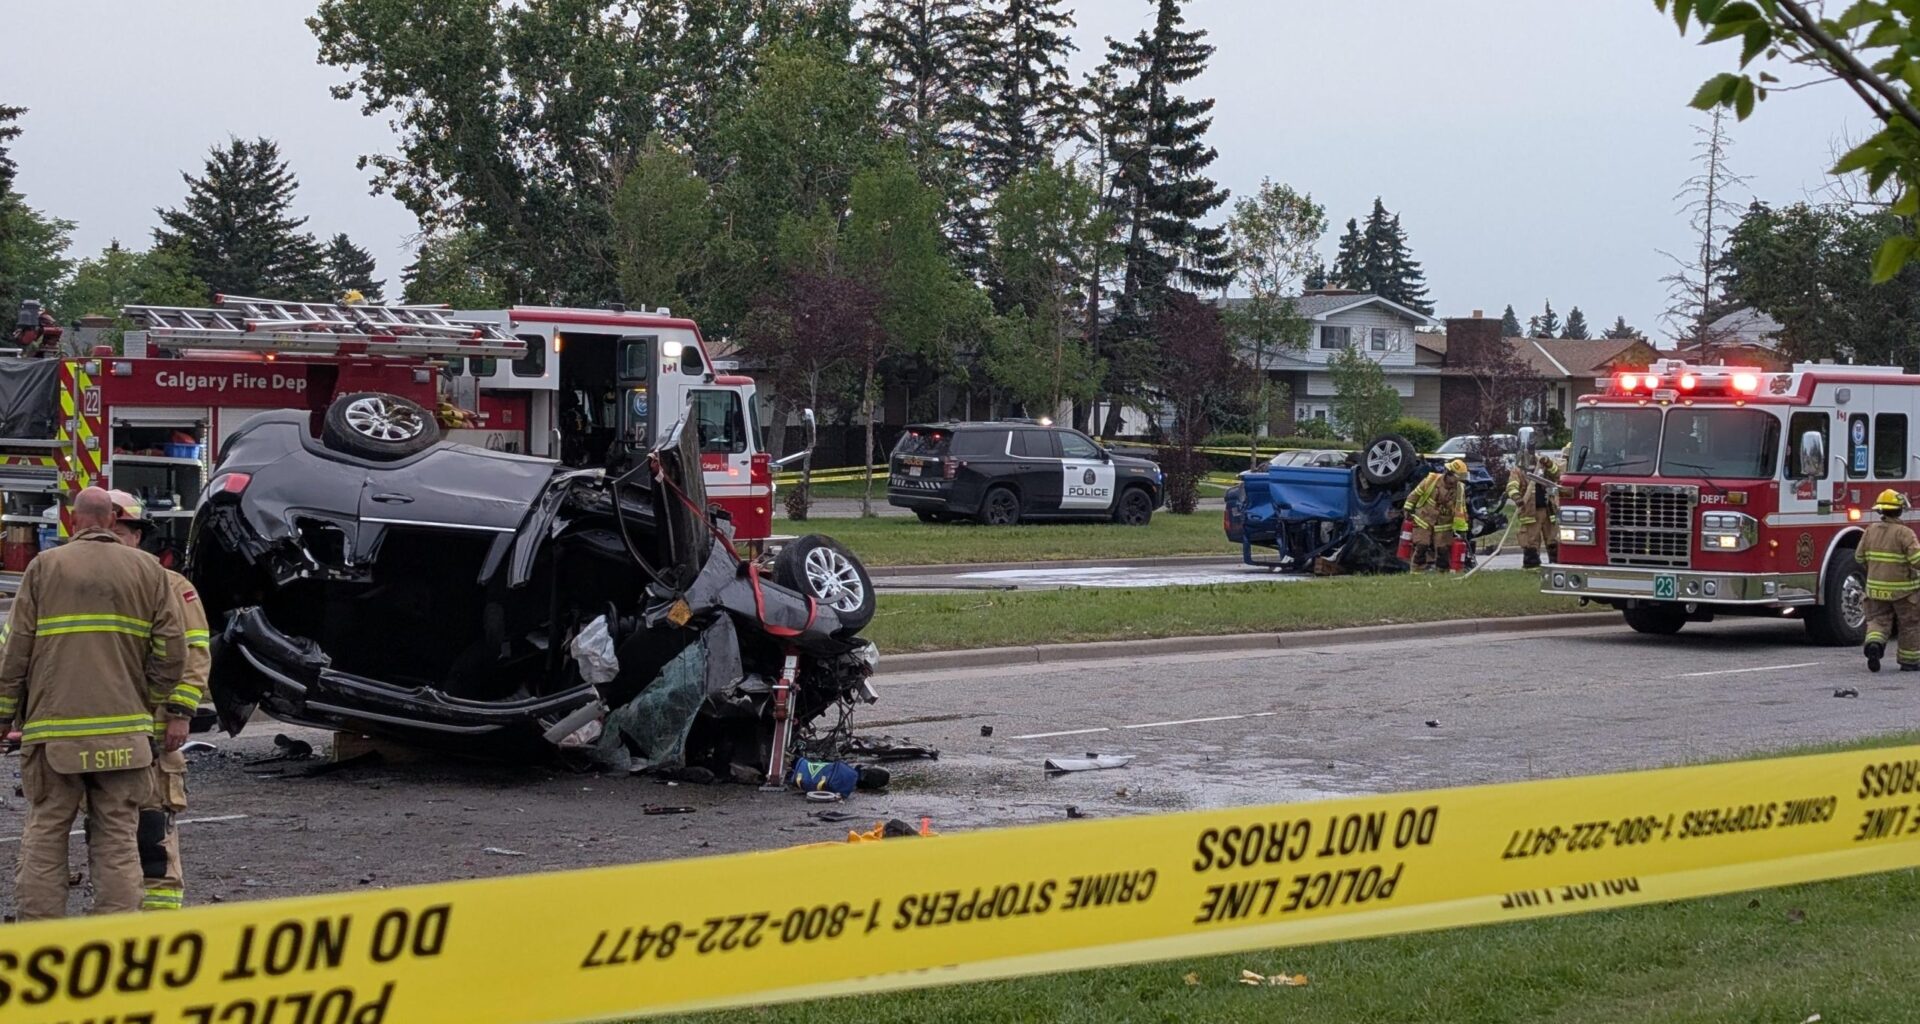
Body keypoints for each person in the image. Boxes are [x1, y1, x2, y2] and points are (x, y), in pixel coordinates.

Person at [0, 487, 185, 919]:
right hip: (125, 737)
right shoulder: (149, 570)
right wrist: (148, 698)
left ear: (73, 520)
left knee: (46, 833)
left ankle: (42, 938)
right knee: (118, 837)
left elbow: (15, 652)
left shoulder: (45, 566)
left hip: (55, 737)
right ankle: (114, 937)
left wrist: (4, 715)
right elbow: (173, 651)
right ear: (112, 521)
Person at [107, 489, 209, 911]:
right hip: (104, 734)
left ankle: (160, 922)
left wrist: (180, 713)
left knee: (153, 831)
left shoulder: (171, 586)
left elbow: (195, 652)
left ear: (137, 536)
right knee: (108, 831)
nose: (113, 541)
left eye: (121, 533)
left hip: (153, 730)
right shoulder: (79, 584)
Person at [1859, 488, 1920, 673]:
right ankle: (1909, 661)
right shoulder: (1905, 533)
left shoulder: (1870, 530)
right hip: (1904, 591)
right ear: (1900, 510)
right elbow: (1917, 560)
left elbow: (1859, 557)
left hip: (1875, 590)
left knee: (1877, 621)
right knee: (1909, 624)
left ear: (1881, 510)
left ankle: (1874, 645)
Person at [1403, 458, 1470, 571]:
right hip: (1424, 520)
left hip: (1444, 524)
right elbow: (1414, 495)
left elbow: (1461, 510)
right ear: (1449, 474)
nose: (1458, 481)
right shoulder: (1431, 481)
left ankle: (1442, 574)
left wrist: (1462, 529)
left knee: (1443, 551)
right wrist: (1407, 509)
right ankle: (1416, 572)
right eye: (1457, 478)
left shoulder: (1460, 489)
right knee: (1421, 546)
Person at [1507, 454, 1561, 568]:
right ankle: (1532, 566)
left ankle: (1556, 565)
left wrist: (1548, 463)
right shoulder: (1518, 471)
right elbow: (1511, 487)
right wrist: (1517, 498)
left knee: (1553, 539)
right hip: (1530, 512)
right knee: (1531, 541)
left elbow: (1558, 475)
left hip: (1548, 510)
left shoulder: (1543, 466)